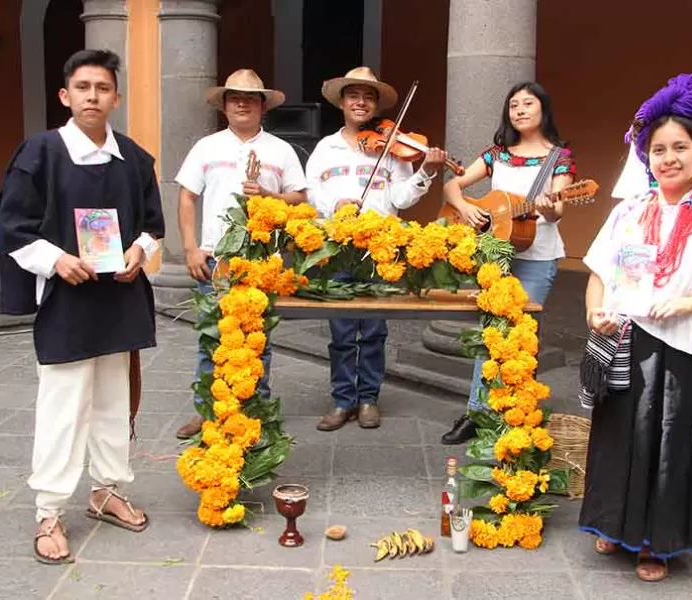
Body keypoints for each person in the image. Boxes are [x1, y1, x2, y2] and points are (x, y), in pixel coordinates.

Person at [575, 73, 692, 582]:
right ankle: (613, 522)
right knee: (618, 434)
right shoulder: (629, 211)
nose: (669, 157)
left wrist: (686, 302)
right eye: (658, 148)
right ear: (645, 156)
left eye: (680, 146)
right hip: (628, 339)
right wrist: (596, 312)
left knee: (673, 437)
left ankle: (658, 542)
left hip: (689, 346)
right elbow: (599, 276)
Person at [0, 49, 164, 565]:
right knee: (64, 408)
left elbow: (152, 226)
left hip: (118, 297)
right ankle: (49, 510)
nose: (93, 96)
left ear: (116, 97)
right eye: (83, 87)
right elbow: (13, 226)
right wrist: (57, 260)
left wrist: (140, 250)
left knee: (113, 401)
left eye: (103, 88)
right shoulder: (41, 153)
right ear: (66, 96)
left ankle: (107, 489)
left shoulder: (133, 158)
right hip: (67, 300)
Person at [304, 66, 448, 431]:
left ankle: (368, 398)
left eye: (369, 97)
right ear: (342, 102)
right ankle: (341, 400)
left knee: (373, 330)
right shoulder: (325, 148)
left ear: (376, 105)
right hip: (336, 247)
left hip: (380, 249)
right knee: (339, 330)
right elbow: (311, 192)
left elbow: (401, 196)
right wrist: (333, 206)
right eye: (354, 95)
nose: (361, 102)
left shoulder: (393, 149)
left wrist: (425, 173)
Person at [438, 81, 578, 445]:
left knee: (520, 340)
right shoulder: (497, 153)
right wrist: (467, 207)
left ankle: (513, 416)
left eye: (528, 103)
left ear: (543, 109)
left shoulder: (558, 157)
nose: (519, 110)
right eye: (513, 104)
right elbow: (453, 186)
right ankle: (476, 412)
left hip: (538, 257)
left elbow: (559, 208)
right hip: (494, 256)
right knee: (490, 337)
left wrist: (551, 205)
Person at [174, 69, 308, 439]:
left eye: (250, 98)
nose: (242, 103)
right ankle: (208, 411)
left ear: (263, 105)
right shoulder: (207, 146)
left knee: (258, 340)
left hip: (262, 261)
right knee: (212, 339)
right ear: (224, 106)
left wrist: (270, 196)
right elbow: (186, 196)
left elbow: (299, 197)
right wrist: (189, 248)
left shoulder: (280, 150)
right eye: (235, 98)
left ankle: (256, 409)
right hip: (215, 257)